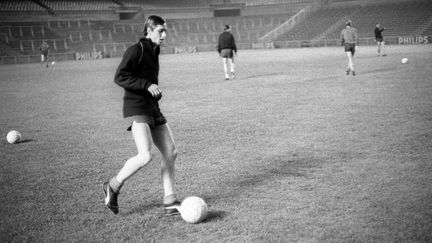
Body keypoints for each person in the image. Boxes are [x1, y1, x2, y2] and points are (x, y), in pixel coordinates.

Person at [103, 15, 180, 215]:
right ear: (149, 30)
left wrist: (153, 90)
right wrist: (146, 85)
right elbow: (120, 76)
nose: (164, 35)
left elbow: (146, 79)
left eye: (165, 31)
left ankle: (170, 200)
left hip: (151, 106)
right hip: (136, 106)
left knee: (170, 152)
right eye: (160, 31)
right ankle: (113, 185)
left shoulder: (155, 50)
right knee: (145, 155)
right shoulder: (135, 50)